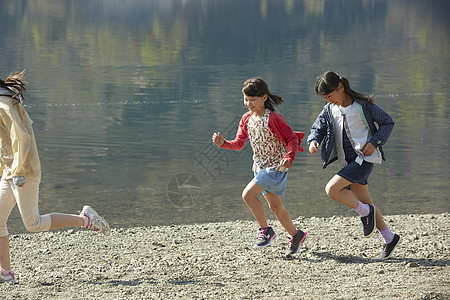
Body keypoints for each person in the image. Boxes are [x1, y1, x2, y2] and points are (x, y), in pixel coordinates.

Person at [0, 70, 110, 284]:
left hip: (23, 172)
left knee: (33, 223)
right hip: (10, 171)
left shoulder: (2, 102)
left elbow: (21, 136)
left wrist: (19, 170)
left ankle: (86, 220)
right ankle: (5, 272)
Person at [307, 71, 401, 259]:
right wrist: (313, 141)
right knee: (367, 203)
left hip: (364, 160)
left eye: (330, 96)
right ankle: (389, 237)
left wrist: (374, 142)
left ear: (341, 87)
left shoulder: (363, 106)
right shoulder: (329, 110)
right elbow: (318, 127)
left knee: (332, 190)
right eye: (325, 98)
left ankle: (365, 212)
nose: (328, 100)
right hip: (347, 162)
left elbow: (387, 123)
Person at [212, 77, 307, 257]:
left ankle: (266, 230)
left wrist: (289, 157)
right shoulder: (246, 118)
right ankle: (296, 235)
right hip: (260, 167)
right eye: (246, 99)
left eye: (252, 99)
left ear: (264, 97)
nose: (248, 103)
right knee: (275, 206)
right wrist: (223, 143)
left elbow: (292, 139)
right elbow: (239, 143)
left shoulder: (274, 118)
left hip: (276, 167)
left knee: (247, 195)